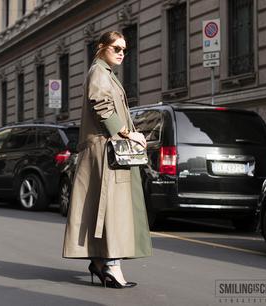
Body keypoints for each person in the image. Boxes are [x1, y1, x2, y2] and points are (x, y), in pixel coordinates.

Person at [62, 31, 152, 288]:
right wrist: (127, 133)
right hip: (106, 152)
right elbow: (100, 104)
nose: (122, 53)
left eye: (125, 49)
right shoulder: (99, 73)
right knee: (114, 209)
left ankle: (101, 263)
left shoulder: (105, 73)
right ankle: (112, 266)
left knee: (108, 208)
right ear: (102, 47)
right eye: (117, 48)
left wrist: (129, 134)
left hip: (107, 150)